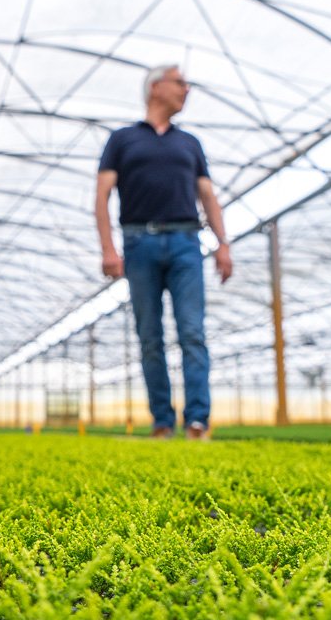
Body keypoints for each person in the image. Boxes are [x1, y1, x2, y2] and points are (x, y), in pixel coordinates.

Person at [95, 64, 233, 440]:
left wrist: (223, 244)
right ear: (155, 88)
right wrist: (109, 249)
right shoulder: (123, 140)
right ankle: (161, 421)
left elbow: (207, 196)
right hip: (139, 243)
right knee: (150, 335)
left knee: (192, 331)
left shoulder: (189, 143)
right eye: (180, 83)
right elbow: (103, 195)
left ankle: (197, 420)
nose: (186, 90)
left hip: (187, 242)